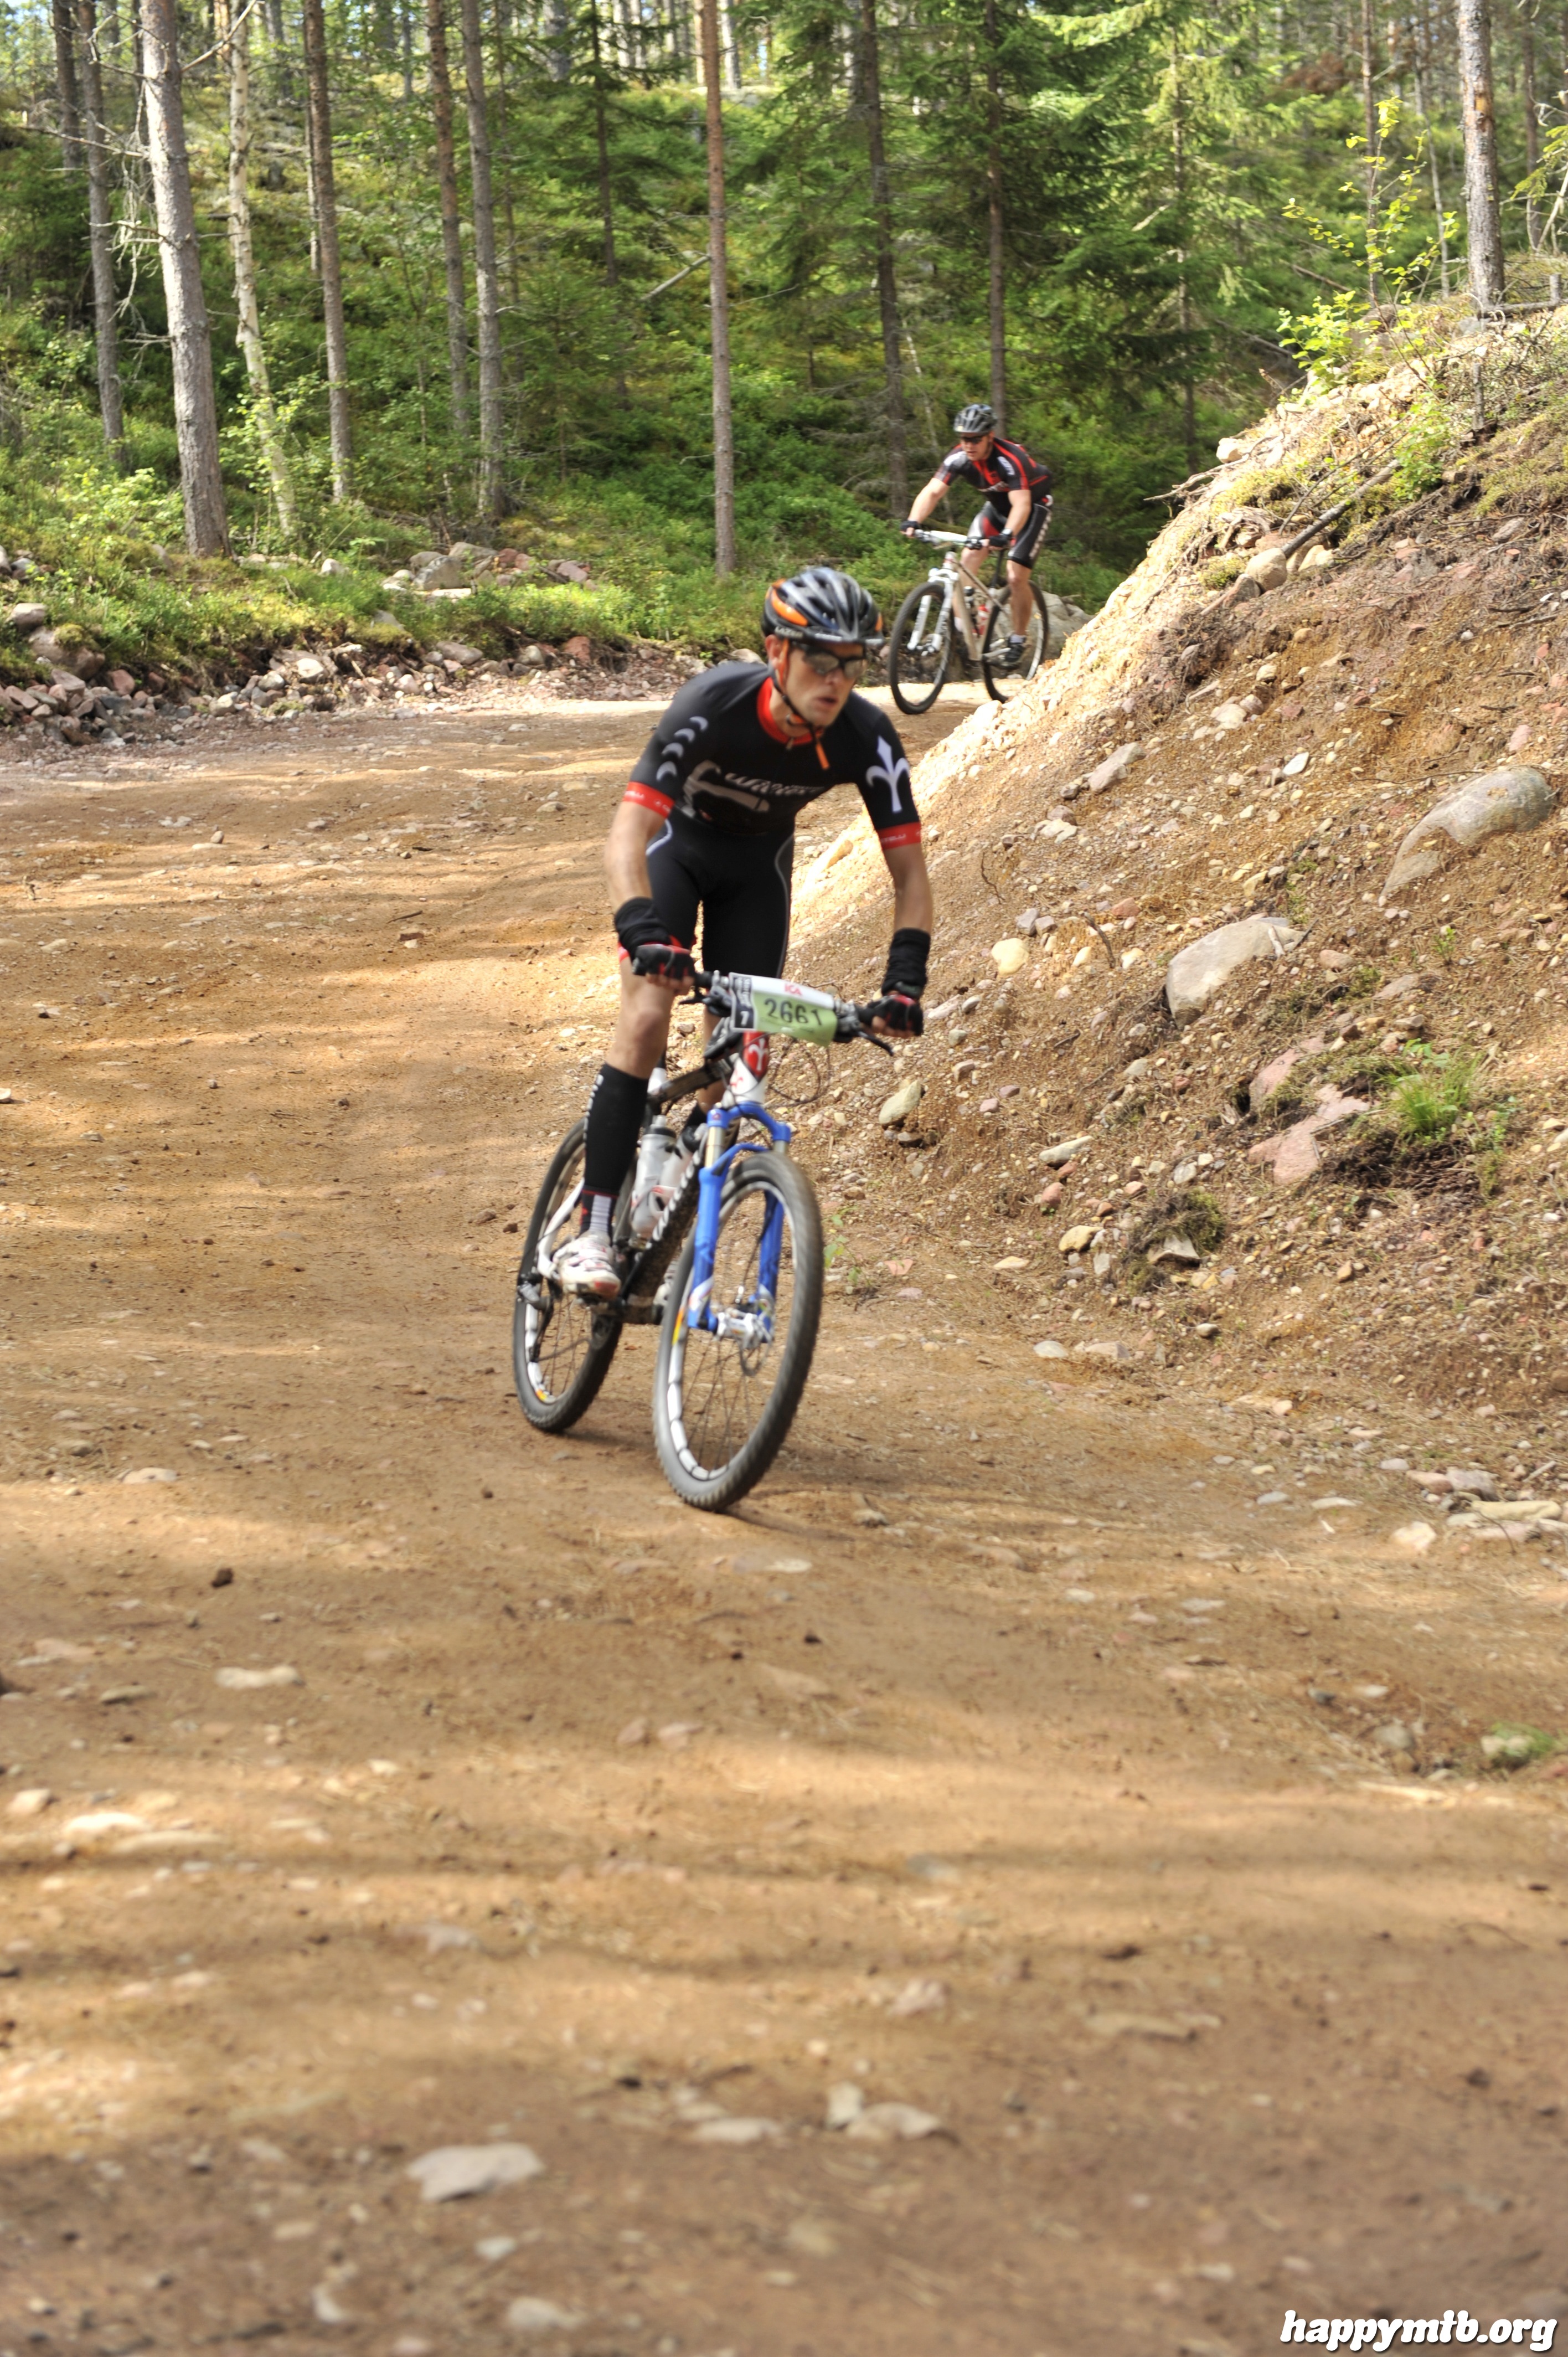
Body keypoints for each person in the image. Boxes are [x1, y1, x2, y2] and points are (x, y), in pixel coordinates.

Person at [553, 565, 935, 1301]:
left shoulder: (866, 736)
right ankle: (591, 1232)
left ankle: (678, 1209)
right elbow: (629, 832)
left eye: (853, 663)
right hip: (677, 853)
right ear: (777, 652)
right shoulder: (713, 703)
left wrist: (905, 982)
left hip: (758, 873)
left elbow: (911, 876)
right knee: (647, 1014)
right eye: (820, 660)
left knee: (737, 1063)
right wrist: (641, 927)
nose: (836, 680)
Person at [903, 402, 1052, 666]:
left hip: (1033, 507)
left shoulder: (1010, 458)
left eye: (975, 439)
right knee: (967, 559)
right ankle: (971, 621)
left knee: (1015, 575)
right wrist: (914, 520)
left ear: (990, 437)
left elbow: (1022, 505)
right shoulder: (958, 457)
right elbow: (933, 491)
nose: (969, 445)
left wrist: (1007, 534)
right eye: (964, 439)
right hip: (997, 509)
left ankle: (1019, 638)